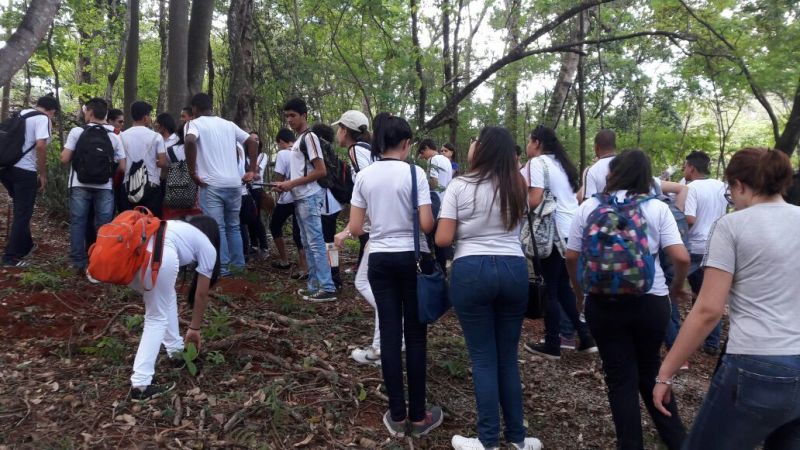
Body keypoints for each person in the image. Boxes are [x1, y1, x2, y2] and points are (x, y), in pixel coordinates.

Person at [654, 148, 800, 449]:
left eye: (730, 192)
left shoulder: (732, 226)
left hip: (757, 361)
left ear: (740, 185)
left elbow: (708, 310)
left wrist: (665, 373)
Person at [567, 149, 690, 450]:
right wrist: (676, 287)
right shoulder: (657, 208)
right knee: (651, 371)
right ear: (646, 178)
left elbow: (571, 255)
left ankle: (630, 444)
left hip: (602, 302)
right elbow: (681, 257)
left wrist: (580, 292)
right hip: (651, 300)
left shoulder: (589, 206)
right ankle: (679, 441)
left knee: (620, 378)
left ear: (612, 174)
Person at [436, 127, 542, 450]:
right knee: (507, 357)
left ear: (480, 150)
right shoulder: (518, 184)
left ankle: (487, 440)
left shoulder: (459, 185)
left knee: (483, 358)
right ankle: (518, 439)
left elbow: (442, 238)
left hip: (471, 270)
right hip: (514, 269)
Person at [349, 113, 443, 438]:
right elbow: (427, 224)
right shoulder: (415, 173)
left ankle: (397, 415)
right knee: (415, 337)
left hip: (379, 258)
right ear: (406, 143)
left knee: (390, 334)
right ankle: (418, 416)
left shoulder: (364, 176)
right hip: (413, 258)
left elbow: (356, 227)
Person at [521, 125, 596, 359]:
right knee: (563, 288)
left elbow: (535, 198)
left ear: (536, 142)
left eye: (529, 141)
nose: (527, 146)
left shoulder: (537, 163)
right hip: (571, 231)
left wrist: (515, 210)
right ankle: (585, 336)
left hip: (551, 233)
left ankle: (552, 343)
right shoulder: (561, 164)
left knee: (549, 288)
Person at [129, 216, 220, 400]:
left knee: (166, 296)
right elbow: (201, 295)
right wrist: (194, 329)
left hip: (133, 257)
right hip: (156, 257)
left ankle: (176, 353)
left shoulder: (176, 227)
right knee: (156, 318)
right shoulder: (207, 246)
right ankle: (141, 385)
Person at [184, 92, 258, 277]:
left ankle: (223, 269)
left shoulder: (193, 124)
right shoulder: (228, 124)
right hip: (234, 184)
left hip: (211, 185)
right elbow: (252, 141)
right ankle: (238, 267)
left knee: (218, 228)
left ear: (194, 109)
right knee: (233, 226)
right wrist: (252, 169)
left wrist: (192, 172)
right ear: (211, 107)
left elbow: (190, 140)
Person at [273, 98, 337, 301]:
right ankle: (314, 285)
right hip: (300, 197)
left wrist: (291, 183)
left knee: (315, 243)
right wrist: (287, 185)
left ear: (304, 115)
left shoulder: (310, 138)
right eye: (287, 116)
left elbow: (320, 170)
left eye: (293, 115)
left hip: (309, 196)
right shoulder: (300, 140)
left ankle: (327, 287)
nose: (289, 120)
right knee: (307, 243)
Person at [330, 110, 380, 365]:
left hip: (377, 229)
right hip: (377, 227)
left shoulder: (356, 151)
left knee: (366, 283)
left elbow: (368, 190)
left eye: (339, 128)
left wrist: (349, 229)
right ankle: (384, 343)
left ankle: (390, 336)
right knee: (371, 283)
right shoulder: (366, 150)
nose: (337, 133)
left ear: (345, 130)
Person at [60, 97, 126, 273]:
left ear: (89, 113)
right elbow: (122, 166)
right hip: (105, 186)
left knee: (78, 222)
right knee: (104, 225)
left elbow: (65, 158)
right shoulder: (114, 136)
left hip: (79, 184)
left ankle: (78, 263)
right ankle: (100, 262)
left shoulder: (77, 131)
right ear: (105, 115)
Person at [0, 95, 60, 267]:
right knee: (23, 213)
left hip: (5, 168)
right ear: (51, 110)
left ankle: (26, 245)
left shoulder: (20, 114)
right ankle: (11, 257)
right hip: (24, 171)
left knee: (21, 209)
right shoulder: (43, 119)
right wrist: (43, 173)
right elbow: (41, 145)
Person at [682, 150, 728, 355]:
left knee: (675, 290)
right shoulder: (722, 186)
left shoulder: (691, 188)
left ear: (692, 168)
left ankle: (686, 338)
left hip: (695, 247)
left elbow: (690, 219)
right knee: (707, 294)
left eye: (685, 167)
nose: (684, 170)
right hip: (716, 245)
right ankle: (708, 340)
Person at [269, 128, 307, 276]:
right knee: (299, 232)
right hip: (302, 196)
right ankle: (304, 267)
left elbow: (279, 180)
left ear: (281, 141)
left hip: (287, 198)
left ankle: (285, 260)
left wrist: (275, 187)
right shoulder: (300, 150)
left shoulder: (283, 154)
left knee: (275, 226)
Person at [310, 122, 343, 290]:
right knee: (329, 242)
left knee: (328, 243)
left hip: (326, 203)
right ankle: (333, 275)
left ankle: (334, 277)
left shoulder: (322, 152)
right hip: (332, 203)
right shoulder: (330, 152)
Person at [120, 101, 168, 216]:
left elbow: (121, 162)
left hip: (128, 186)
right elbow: (163, 162)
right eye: (150, 115)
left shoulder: (121, 136)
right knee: (152, 221)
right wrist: (152, 162)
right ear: (145, 117)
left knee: (129, 221)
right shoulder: (156, 137)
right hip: (151, 185)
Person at [418, 138, 454, 272]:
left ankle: (430, 272)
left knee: (427, 237)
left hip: (435, 203)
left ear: (427, 148)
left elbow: (434, 182)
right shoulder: (446, 160)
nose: (423, 157)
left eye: (423, 153)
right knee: (440, 241)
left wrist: (424, 183)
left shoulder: (433, 160)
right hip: (445, 203)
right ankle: (442, 271)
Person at [244, 131, 270, 259]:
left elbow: (257, 171)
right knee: (249, 218)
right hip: (246, 190)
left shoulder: (263, 156)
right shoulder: (244, 156)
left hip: (257, 189)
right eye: (252, 139)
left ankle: (264, 247)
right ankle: (253, 245)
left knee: (257, 218)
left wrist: (250, 172)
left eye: (257, 139)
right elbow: (251, 173)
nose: (255, 141)